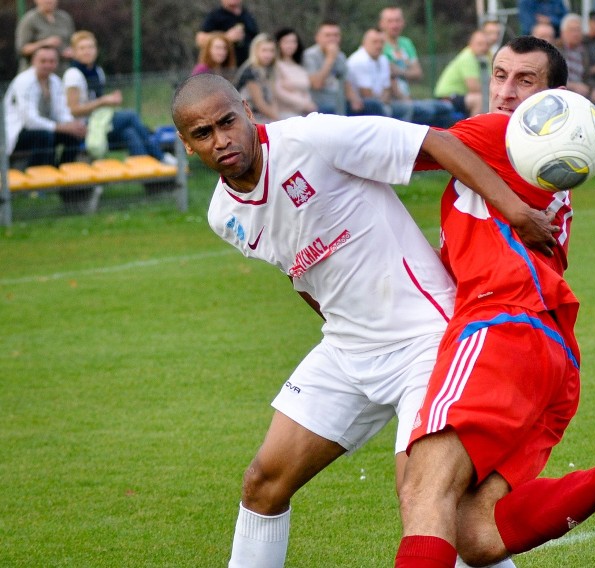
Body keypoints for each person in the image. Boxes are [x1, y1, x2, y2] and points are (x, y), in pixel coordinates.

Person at [171, 72, 555, 568]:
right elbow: (300, 271)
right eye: (204, 134)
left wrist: (516, 210)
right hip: (347, 350)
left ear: (247, 110)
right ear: (186, 145)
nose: (222, 140)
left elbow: (434, 143)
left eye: (227, 121)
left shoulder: (314, 138)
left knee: (427, 500)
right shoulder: (224, 215)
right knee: (263, 484)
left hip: (425, 340)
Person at [394, 36, 595, 568]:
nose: (505, 92)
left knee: (424, 492)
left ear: (556, 98)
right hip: (549, 355)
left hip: (499, 327)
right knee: (475, 532)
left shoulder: (510, 134)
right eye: (499, 75)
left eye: (525, 81)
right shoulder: (553, 163)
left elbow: (394, 146)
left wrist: (284, 144)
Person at [63, 31, 175, 164]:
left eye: (90, 47)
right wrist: (103, 101)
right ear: (74, 52)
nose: (87, 51)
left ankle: (147, 173)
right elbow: (74, 110)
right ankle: (161, 157)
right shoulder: (73, 75)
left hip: (101, 121)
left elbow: (97, 102)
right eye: (82, 48)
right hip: (85, 126)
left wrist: (110, 101)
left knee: (130, 132)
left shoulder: (98, 71)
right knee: (130, 116)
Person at [4, 45, 86, 168]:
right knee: (45, 135)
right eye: (43, 61)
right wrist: (60, 127)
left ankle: (64, 175)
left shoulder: (55, 81)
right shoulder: (24, 81)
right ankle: (34, 176)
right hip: (19, 132)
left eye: (52, 61)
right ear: (33, 62)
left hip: (46, 128)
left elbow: (61, 111)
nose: (48, 65)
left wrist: (73, 126)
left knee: (73, 135)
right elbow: (30, 121)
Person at [379, 5, 456, 127]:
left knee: (446, 109)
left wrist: (397, 71)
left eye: (397, 20)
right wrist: (405, 72)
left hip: (410, 98)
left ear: (403, 22)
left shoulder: (406, 43)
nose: (394, 25)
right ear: (381, 23)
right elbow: (387, 75)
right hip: (394, 100)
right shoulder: (378, 44)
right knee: (429, 111)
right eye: (390, 21)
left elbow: (418, 73)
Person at [302, 20, 361, 115]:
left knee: (371, 106)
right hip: (319, 108)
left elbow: (345, 81)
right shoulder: (309, 56)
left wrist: (355, 100)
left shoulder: (341, 56)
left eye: (336, 35)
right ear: (318, 37)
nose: (332, 39)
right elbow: (316, 84)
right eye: (328, 35)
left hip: (339, 106)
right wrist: (330, 58)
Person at [346, 27, 406, 119]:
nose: (379, 46)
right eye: (374, 42)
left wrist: (383, 101)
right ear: (364, 43)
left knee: (407, 108)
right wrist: (383, 103)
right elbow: (366, 95)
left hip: (381, 103)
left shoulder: (383, 59)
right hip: (361, 107)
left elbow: (387, 89)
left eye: (381, 42)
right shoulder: (359, 60)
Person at [434, 30, 491, 117]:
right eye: (480, 44)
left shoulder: (484, 57)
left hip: (460, 95)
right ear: (471, 44)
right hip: (447, 96)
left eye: (486, 44)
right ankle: (475, 129)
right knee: (480, 100)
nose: (484, 47)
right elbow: (474, 87)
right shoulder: (467, 58)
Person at [15, 0, 76, 72]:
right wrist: (45, 43)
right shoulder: (29, 20)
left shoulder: (65, 18)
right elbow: (22, 49)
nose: (49, 1)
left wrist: (72, 51)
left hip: (62, 70)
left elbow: (74, 42)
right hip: (36, 73)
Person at [272, 28, 317, 119]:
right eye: (286, 42)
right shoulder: (276, 65)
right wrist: (303, 104)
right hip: (284, 115)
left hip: (303, 114)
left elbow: (305, 89)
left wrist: (309, 104)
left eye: (293, 42)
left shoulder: (299, 66)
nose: (290, 45)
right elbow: (278, 91)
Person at [196, 0, 259, 66]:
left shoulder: (248, 16)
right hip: (223, 68)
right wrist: (226, 37)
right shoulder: (215, 16)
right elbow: (199, 40)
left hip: (246, 66)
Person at [233, 33, 279, 124]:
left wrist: (277, 115)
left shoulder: (269, 69)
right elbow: (260, 104)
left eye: (271, 51)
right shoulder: (250, 71)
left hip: (263, 116)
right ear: (255, 51)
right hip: (246, 115)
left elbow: (272, 98)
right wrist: (278, 119)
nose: (268, 54)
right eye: (264, 50)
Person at [558, 14, 595, 106]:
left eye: (578, 30)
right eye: (572, 30)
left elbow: (587, 76)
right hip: (562, 92)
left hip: (582, 92)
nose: (576, 33)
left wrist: (594, 88)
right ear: (563, 33)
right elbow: (552, 79)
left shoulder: (583, 51)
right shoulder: (555, 50)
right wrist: (573, 86)